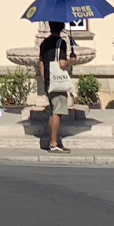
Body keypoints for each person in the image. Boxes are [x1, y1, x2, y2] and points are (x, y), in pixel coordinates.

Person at [37, 22, 76, 153]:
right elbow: (62, 64)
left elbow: (41, 64)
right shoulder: (61, 43)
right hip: (58, 82)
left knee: (53, 111)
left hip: (49, 80)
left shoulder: (44, 43)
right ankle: (54, 144)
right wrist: (72, 60)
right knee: (57, 113)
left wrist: (45, 80)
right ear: (61, 28)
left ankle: (53, 141)